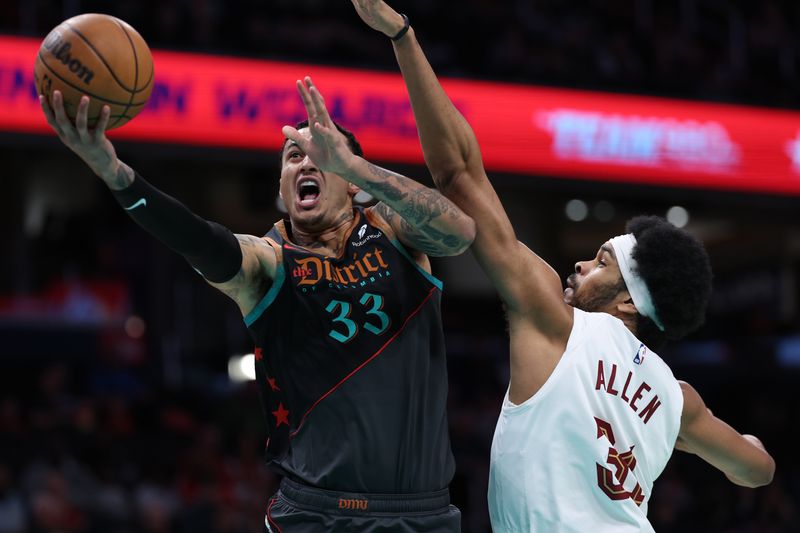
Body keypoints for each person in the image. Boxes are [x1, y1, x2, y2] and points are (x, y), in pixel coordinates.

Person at [350, 1, 776, 531]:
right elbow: (757, 470)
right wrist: (742, 441)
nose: (578, 265)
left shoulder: (555, 320)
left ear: (628, 301)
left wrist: (402, 35)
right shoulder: (678, 399)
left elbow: (458, 174)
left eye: (600, 261)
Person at [39, 75, 474, 531]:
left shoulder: (394, 230)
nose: (306, 163)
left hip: (424, 515)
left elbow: (460, 233)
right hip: (317, 516)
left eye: (322, 155)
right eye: (293, 157)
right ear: (284, 188)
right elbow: (198, 239)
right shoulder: (269, 258)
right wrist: (118, 177)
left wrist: (353, 164)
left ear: (350, 180)